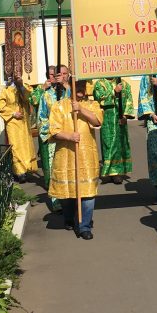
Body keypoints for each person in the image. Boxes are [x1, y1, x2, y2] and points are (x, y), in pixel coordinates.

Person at [49, 79, 103, 239]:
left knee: (88, 192)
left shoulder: (92, 104)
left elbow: (97, 121)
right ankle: (69, 217)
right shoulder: (59, 106)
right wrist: (69, 136)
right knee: (68, 192)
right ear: (71, 86)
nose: (81, 89)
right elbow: (53, 130)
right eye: (77, 85)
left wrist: (81, 109)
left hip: (86, 157)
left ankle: (84, 226)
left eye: (83, 86)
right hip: (66, 155)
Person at [37, 65, 70, 212]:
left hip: (69, 137)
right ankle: (57, 202)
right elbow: (41, 117)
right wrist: (51, 132)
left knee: (69, 169)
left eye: (64, 74)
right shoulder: (46, 95)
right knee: (54, 170)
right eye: (59, 74)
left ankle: (71, 200)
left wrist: (66, 86)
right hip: (53, 138)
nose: (61, 76)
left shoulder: (70, 92)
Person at [92, 76, 133, 184]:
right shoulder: (100, 83)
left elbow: (129, 101)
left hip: (120, 120)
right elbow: (98, 99)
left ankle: (117, 172)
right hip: (107, 120)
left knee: (120, 145)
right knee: (108, 145)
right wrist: (114, 92)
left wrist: (125, 116)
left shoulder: (124, 84)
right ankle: (109, 171)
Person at [0, 74, 38, 182]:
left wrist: (21, 86)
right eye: (16, 76)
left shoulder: (25, 87)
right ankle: (19, 172)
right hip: (13, 123)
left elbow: (30, 98)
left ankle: (27, 167)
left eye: (19, 76)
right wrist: (13, 113)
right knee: (16, 146)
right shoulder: (6, 90)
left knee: (26, 145)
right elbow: (1, 107)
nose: (18, 78)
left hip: (24, 122)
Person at [137, 73, 157, 202]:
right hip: (153, 120)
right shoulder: (146, 77)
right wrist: (151, 113)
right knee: (155, 153)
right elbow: (143, 96)